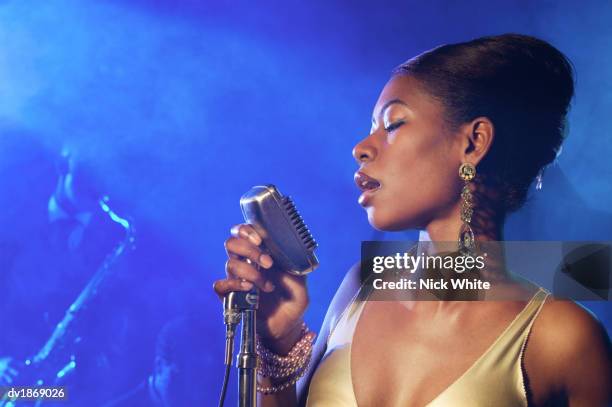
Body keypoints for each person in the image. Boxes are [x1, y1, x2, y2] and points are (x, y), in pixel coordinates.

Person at [213, 34, 612, 406]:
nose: (361, 148)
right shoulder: (358, 288)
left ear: (473, 143)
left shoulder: (562, 340)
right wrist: (280, 339)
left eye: (393, 124)